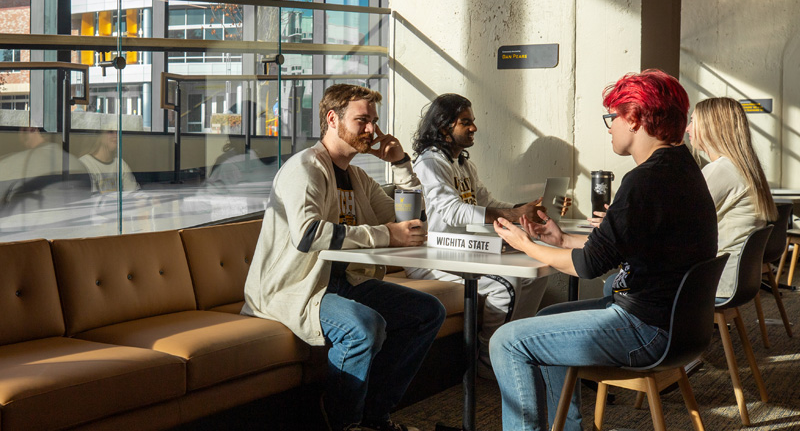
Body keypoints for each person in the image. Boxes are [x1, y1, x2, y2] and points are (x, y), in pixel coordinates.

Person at [489, 69, 718, 431]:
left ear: (635, 118)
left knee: (507, 341)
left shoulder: (645, 180)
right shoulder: (682, 169)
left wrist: (526, 245)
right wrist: (561, 241)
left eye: (613, 117)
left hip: (647, 327)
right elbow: (619, 249)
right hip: (676, 325)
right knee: (546, 321)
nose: (610, 126)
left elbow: (588, 266)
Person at [242, 84, 446, 431]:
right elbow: (309, 235)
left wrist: (399, 164)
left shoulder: (358, 177)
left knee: (427, 312)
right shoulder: (304, 169)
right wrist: (386, 235)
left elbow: (405, 222)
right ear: (332, 119)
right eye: (362, 120)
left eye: (374, 122)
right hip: (294, 289)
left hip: (344, 282)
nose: (371, 130)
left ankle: (374, 416)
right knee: (365, 327)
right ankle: (345, 422)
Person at [405, 93, 550, 379]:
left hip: (467, 248)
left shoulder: (463, 164)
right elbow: (453, 212)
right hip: (433, 255)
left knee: (537, 271)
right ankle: (487, 359)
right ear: (444, 126)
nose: (474, 128)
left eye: (473, 122)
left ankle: (513, 350)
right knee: (504, 284)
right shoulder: (430, 163)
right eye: (465, 122)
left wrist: (524, 209)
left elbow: (487, 202)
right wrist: (510, 214)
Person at [687, 97, 777, 299]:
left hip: (718, 281)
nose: (687, 128)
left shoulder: (721, 169)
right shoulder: (744, 167)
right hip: (741, 277)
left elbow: (681, 220)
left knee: (620, 285)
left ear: (711, 127)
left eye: (693, 121)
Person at [80, 129, 139, 194]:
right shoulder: (85, 164)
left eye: (118, 132)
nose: (116, 135)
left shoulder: (121, 164)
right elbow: (91, 199)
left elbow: (133, 193)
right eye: (110, 132)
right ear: (99, 136)